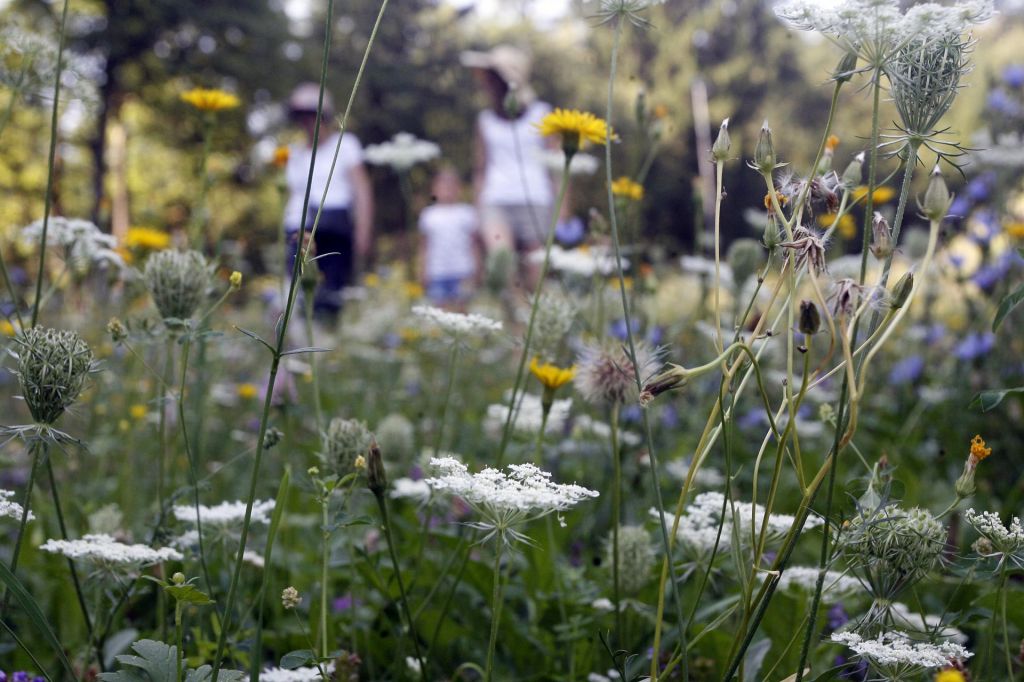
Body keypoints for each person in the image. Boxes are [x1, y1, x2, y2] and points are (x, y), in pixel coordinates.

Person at [461, 45, 557, 289]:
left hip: (537, 200)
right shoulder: (485, 120)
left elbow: (557, 166)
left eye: (491, 76)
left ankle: (530, 325)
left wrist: (562, 212)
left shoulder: (542, 113)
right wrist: (477, 211)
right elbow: (480, 169)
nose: (485, 82)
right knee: (502, 268)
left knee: (535, 280)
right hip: (495, 201)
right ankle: (512, 324)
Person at [283, 83, 374, 318]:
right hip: (299, 231)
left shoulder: (346, 145)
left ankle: (324, 344)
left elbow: (362, 191)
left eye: (311, 115)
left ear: (324, 116)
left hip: (335, 230)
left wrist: (363, 232)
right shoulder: (295, 153)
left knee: (331, 297)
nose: (306, 122)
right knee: (295, 295)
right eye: (301, 116)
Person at [418, 167, 480, 307]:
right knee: (439, 310)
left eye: (452, 186)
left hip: (463, 271)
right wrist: (422, 271)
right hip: (437, 272)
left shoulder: (467, 213)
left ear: (459, 189)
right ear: (434, 190)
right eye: (443, 186)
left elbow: (474, 243)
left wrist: (477, 269)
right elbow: (424, 246)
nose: (447, 190)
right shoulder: (428, 215)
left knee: (462, 309)